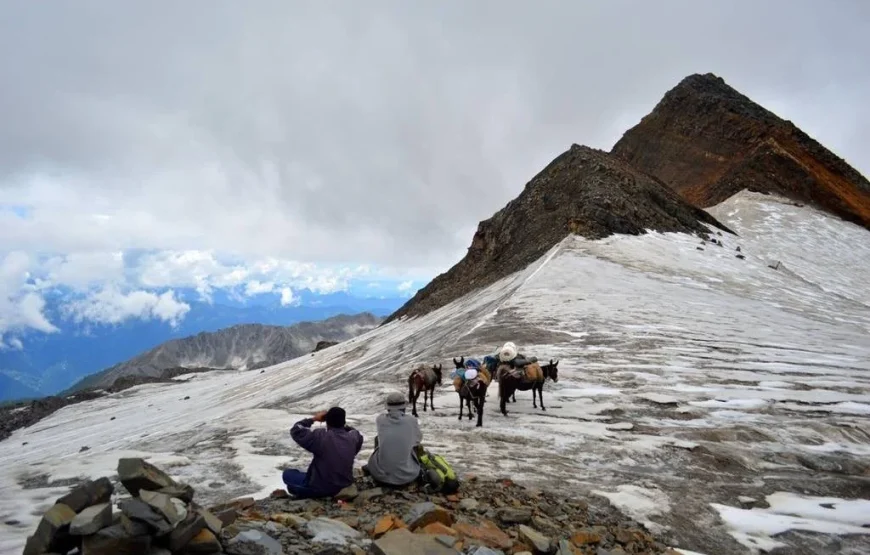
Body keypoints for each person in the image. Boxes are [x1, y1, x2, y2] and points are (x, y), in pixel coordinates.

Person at [282, 406, 364, 498]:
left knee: (288, 474)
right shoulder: (354, 437)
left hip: (321, 488)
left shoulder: (321, 436)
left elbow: (296, 430)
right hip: (345, 484)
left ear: (327, 422)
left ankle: (302, 492)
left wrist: (314, 419)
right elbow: (355, 433)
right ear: (343, 422)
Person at [364, 392, 423, 487]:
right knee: (415, 446)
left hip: (380, 477)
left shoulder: (380, 420)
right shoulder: (411, 420)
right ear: (404, 407)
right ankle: (408, 466)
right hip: (407, 477)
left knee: (377, 439)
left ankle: (380, 465)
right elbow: (417, 439)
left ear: (388, 408)